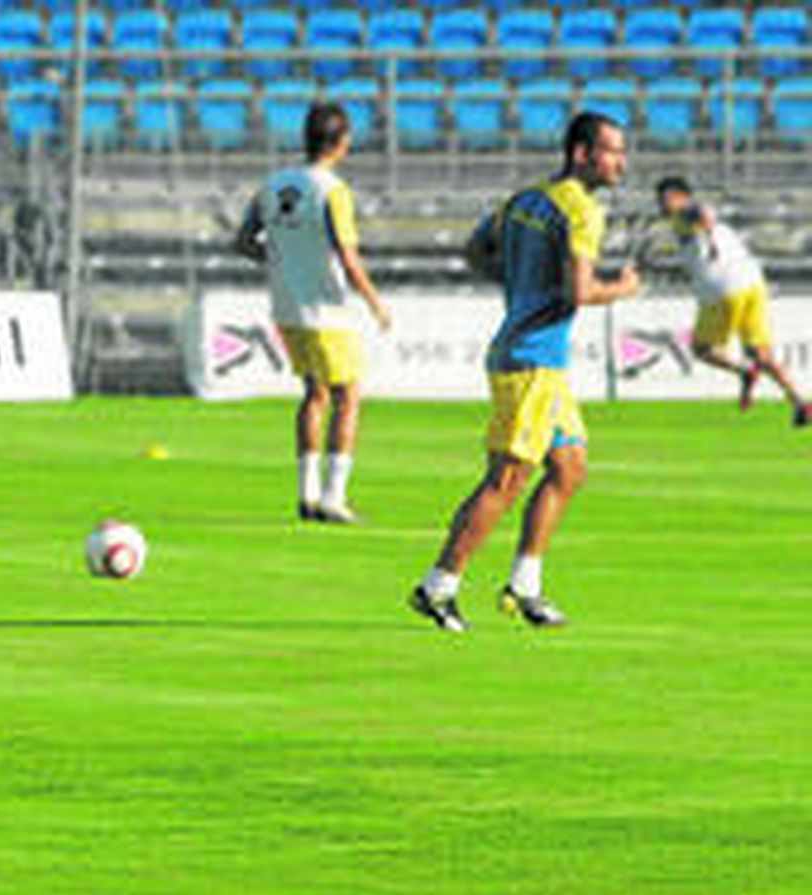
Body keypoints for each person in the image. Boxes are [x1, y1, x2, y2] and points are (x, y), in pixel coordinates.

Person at [408, 112, 641, 633]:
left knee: (569, 469)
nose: (621, 162)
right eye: (612, 151)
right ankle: (437, 586)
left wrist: (520, 283)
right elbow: (579, 292)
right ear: (581, 154)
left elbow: (475, 251)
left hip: (535, 360)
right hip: (532, 361)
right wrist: (622, 289)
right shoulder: (581, 210)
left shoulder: (524, 200)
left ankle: (524, 587)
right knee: (507, 480)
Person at [235, 102, 392, 524]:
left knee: (315, 394)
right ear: (341, 142)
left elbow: (243, 241)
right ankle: (333, 497)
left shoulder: (273, 184)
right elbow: (348, 256)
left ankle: (307, 494)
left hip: (287, 306)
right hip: (327, 310)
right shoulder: (333, 191)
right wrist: (375, 302)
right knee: (348, 396)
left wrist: (282, 260)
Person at [655, 176, 809, 427]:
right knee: (761, 354)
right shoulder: (706, 226)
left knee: (702, 349)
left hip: (722, 289)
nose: (661, 204)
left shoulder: (682, 215)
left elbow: (701, 212)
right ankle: (800, 400)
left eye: (665, 198)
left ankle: (744, 371)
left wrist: (709, 238)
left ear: (680, 196)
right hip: (752, 282)